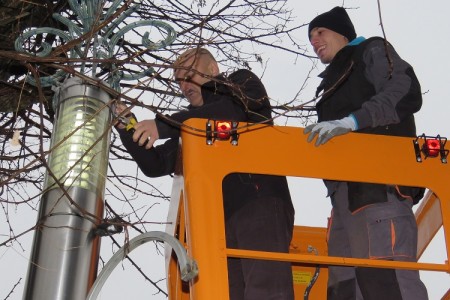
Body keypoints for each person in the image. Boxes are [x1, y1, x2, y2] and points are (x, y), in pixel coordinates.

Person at [115, 48, 295, 299]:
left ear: (212, 69)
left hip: (258, 199)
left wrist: (163, 125)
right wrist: (126, 125)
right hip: (218, 221)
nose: (184, 84)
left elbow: (232, 113)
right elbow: (155, 164)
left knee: (266, 289)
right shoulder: (190, 127)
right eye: (178, 80)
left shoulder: (242, 83)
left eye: (189, 74)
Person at [303, 6, 428, 300]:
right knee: (345, 288)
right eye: (310, 37)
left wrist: (353, 121)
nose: (314, 41)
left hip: (379, 188)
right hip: (344, 199)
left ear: (342, 32)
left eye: (320, 32)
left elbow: (405, 89)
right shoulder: (331, 84)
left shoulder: (371, 51)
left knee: (387, 279)